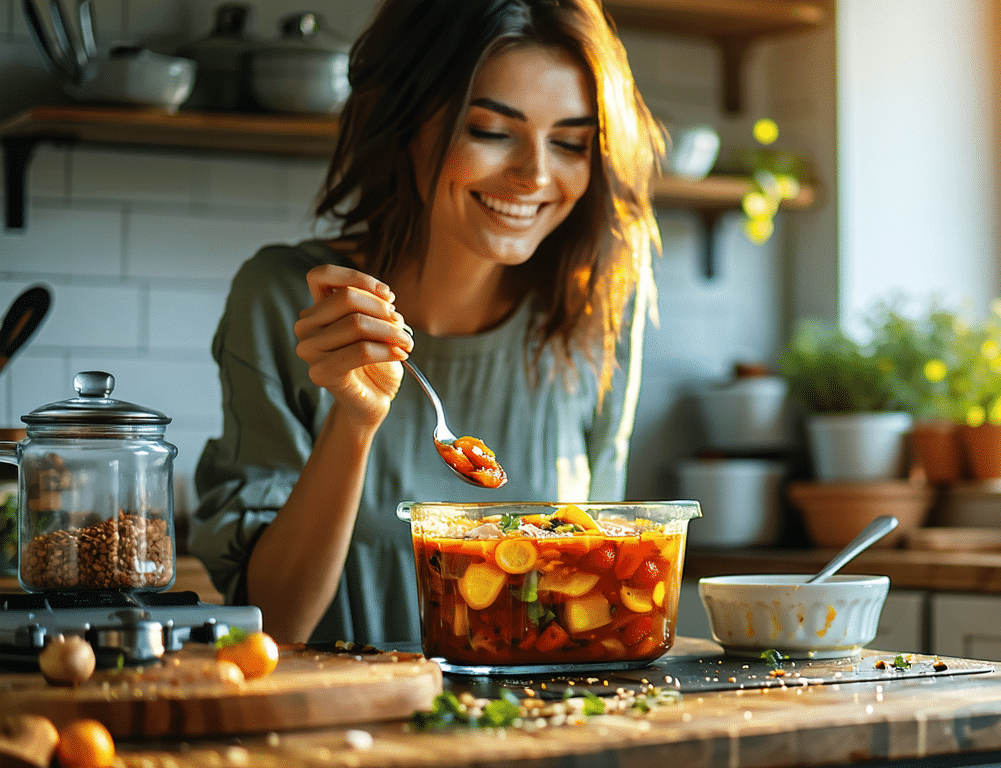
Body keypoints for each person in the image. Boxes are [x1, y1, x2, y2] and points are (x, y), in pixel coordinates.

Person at [189, 0, 663, 646]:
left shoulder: (599, 310)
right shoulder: (283, 302)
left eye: (571, 143)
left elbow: (599, 583)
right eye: (492, 131)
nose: (536, 175)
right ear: (406, 122)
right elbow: (276, 622)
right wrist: (353, 423)